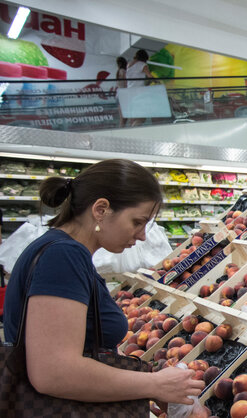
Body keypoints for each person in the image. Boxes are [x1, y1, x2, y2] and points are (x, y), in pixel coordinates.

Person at [2, 159, 203, 407]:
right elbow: (53, 373)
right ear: (101, 209)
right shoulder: (63, 257)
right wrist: (155, 384)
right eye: (137, 222)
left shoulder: (65, 252)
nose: (141, 236)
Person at [125, 50, 153, 127]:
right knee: (142, 117)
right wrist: (153, 81)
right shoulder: (142, 64)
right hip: (139, 93)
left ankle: (132, 131)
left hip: (129, 92)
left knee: (133, 118)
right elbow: (150, 76)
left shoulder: (129, 64)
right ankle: (134, 131)